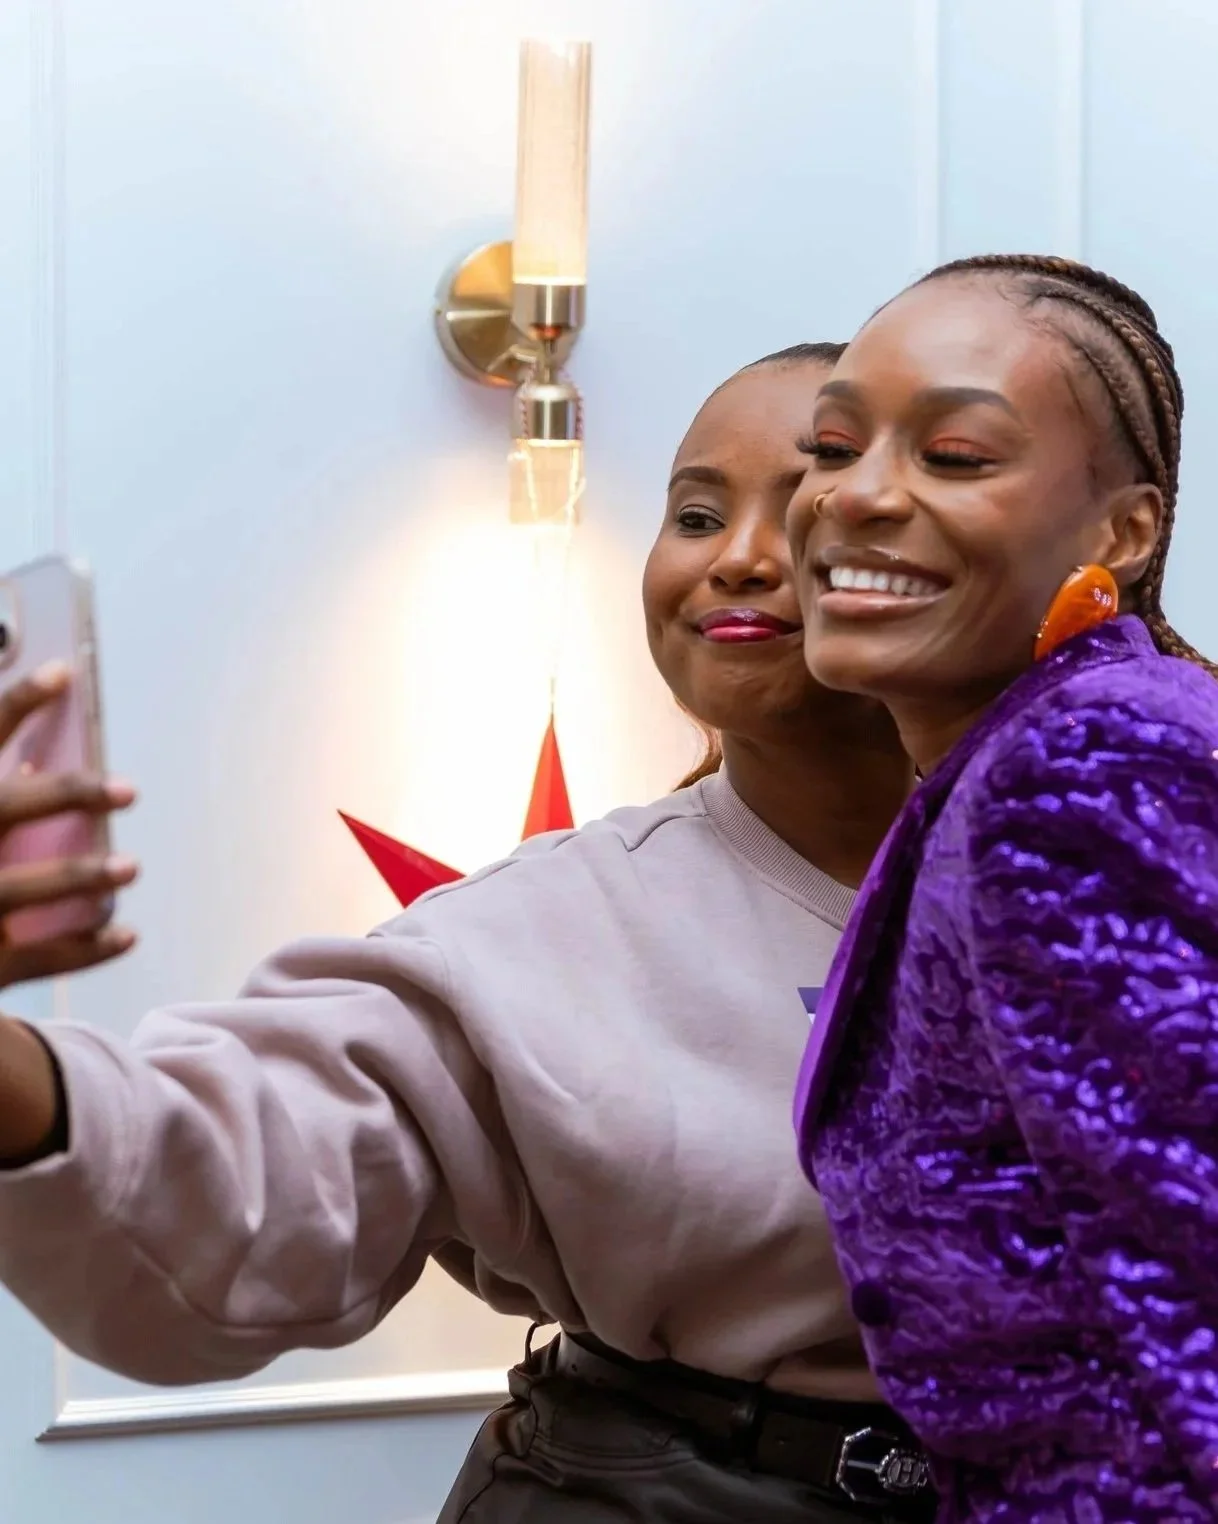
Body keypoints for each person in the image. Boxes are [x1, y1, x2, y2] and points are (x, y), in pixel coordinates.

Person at [0, 344, 935, 1523]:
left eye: (808, 510)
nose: (739, 558)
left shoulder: (1135, 882)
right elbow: (262, 1180)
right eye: (696, 513)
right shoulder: (536, 933)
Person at [788, 254, 1218, 1522]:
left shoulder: (1082, 764)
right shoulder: (1021, 749)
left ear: (1122, 532)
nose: (855, 498)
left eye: (956, 457)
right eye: (832, 444)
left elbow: (1195, 1302)